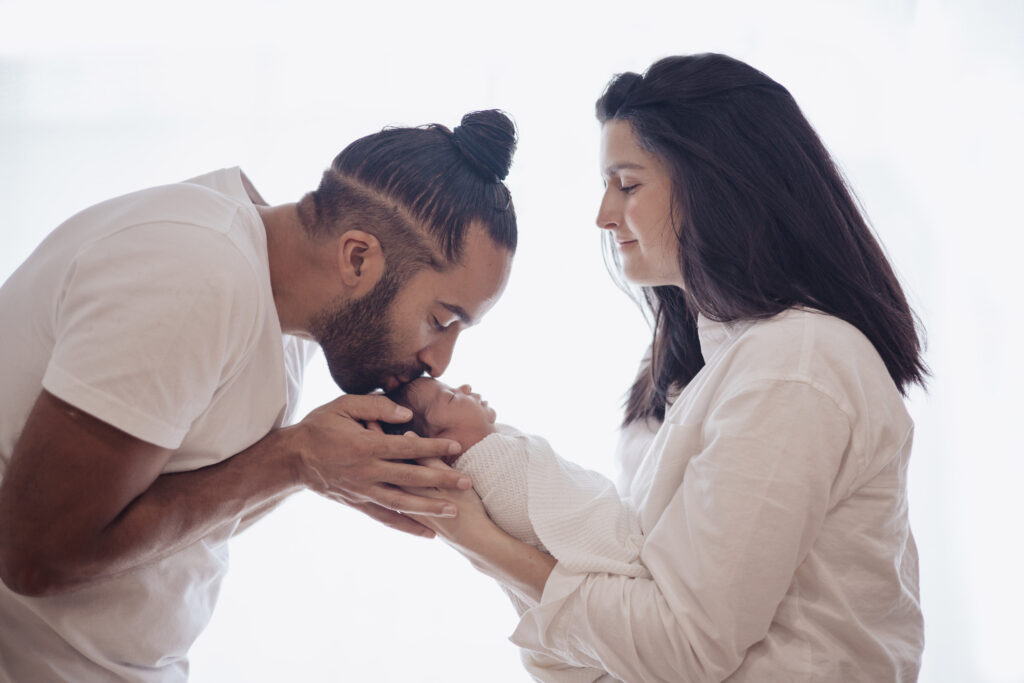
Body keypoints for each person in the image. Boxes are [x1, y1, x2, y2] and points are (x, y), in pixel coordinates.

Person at [406, 54, 928, 682]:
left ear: (720, 184)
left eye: (627, 184)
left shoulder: (796, 367)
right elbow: (615, 642)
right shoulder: (702, 374)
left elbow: (682, 648)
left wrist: (476, 537)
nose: (603, 215)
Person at [0, 109, 518, 681]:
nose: (441, 362)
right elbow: (36, 556)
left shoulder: (284, 312)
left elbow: (168, 513)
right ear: (358, 258)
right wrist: (292, 460)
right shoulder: (195, 274)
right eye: (441, 319)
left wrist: (322, 471)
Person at [389, 377, 650, 681]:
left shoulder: (499, 448)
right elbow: (534, 525)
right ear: (441, 448)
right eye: (450, 398)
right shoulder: (491, 470)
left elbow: (573, 498)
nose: (465, 389)